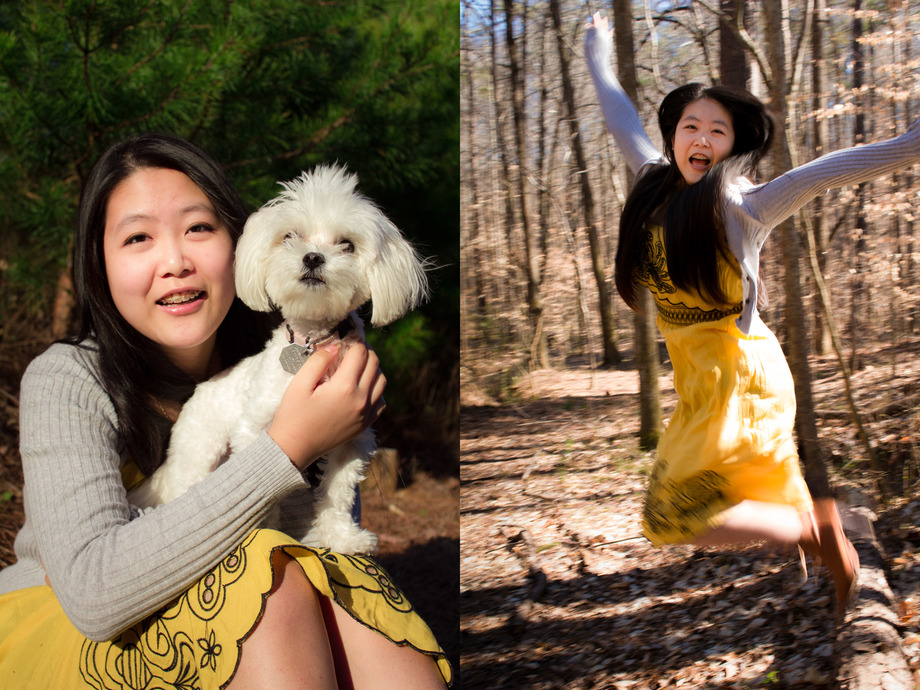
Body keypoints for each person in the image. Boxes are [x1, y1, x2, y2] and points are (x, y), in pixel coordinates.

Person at [0, 132, 451, 688]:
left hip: (241, 591)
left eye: (197, 228)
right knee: (274, 585)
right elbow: (94, 596)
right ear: (99, 264)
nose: (174, 261)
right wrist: (288, 446)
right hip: (67, 626)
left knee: (382, 649)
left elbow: (319, 535)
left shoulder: (281, 355)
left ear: (239, 244)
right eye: (138, 237)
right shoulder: (66, 380)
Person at [585, 12, 920, 612]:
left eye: (719, 131)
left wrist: (915, 139)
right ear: (675, 135)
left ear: (733, 146)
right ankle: (813, 531)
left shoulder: (746, 209)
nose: (703, 139)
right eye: (692, 126)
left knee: (668, 514)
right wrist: (596, 49)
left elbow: (843, 166)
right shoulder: (653, 184)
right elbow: (618, 116)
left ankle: (817, 532)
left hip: (742, 374)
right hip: (699, 383)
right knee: (674, 513)